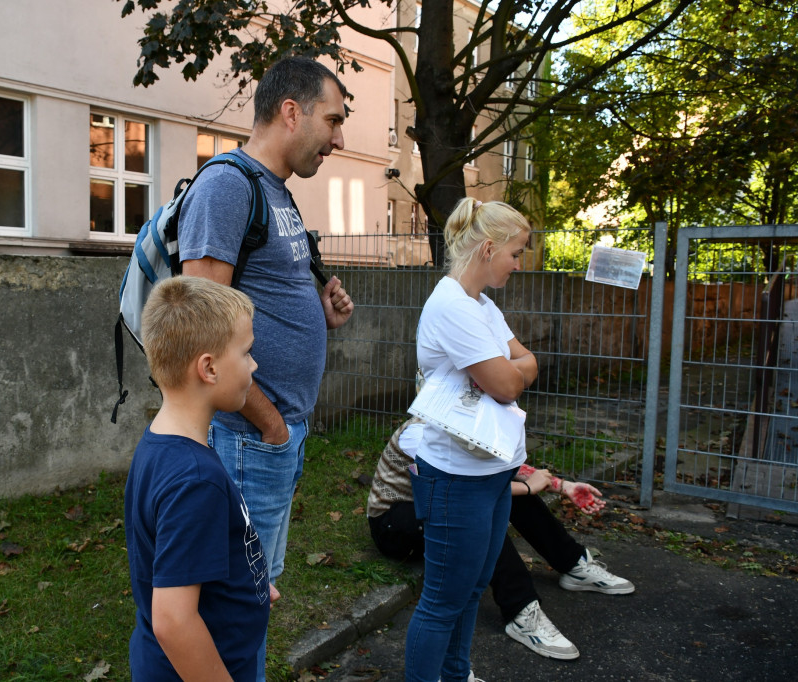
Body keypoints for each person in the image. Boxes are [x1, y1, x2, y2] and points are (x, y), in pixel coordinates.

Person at [178, 56, 355, 679]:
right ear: (290, 111)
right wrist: (270, 420)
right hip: (251, 436)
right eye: (332, 121)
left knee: (257, 596)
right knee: (235, 605)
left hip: (275, 436)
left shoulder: (275, 192)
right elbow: (199, 326)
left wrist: (317, 312)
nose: (339, 139)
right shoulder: (228, 185)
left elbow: (256, 299)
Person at [368, 418, 635, 662]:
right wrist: (528, 487)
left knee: (503, 493)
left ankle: (572, 564)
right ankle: (521, 610)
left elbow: (505, 469)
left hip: (438, 508)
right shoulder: (419, 433)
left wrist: (562, 485)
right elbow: (452, 491)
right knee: (476, 514)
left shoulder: (465, 423)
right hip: (395, 523)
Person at [403, 198, 536, 682]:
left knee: (474, 585)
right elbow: (505, 383)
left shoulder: (481, 306)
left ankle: (456, 675)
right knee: (443, 599)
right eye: (515, 253)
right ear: (487, 248)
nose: (518, 264)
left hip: (492, 469)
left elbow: (527, 364)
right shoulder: (452, 307)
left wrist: (509, 371)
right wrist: (507, 372)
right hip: (457, 475)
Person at [124, 276, 280, 681]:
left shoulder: (163, 445)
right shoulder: (194, 479)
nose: (254, 365)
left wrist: (249, 586)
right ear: (209, 368)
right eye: (246, 353)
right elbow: (174, 621)